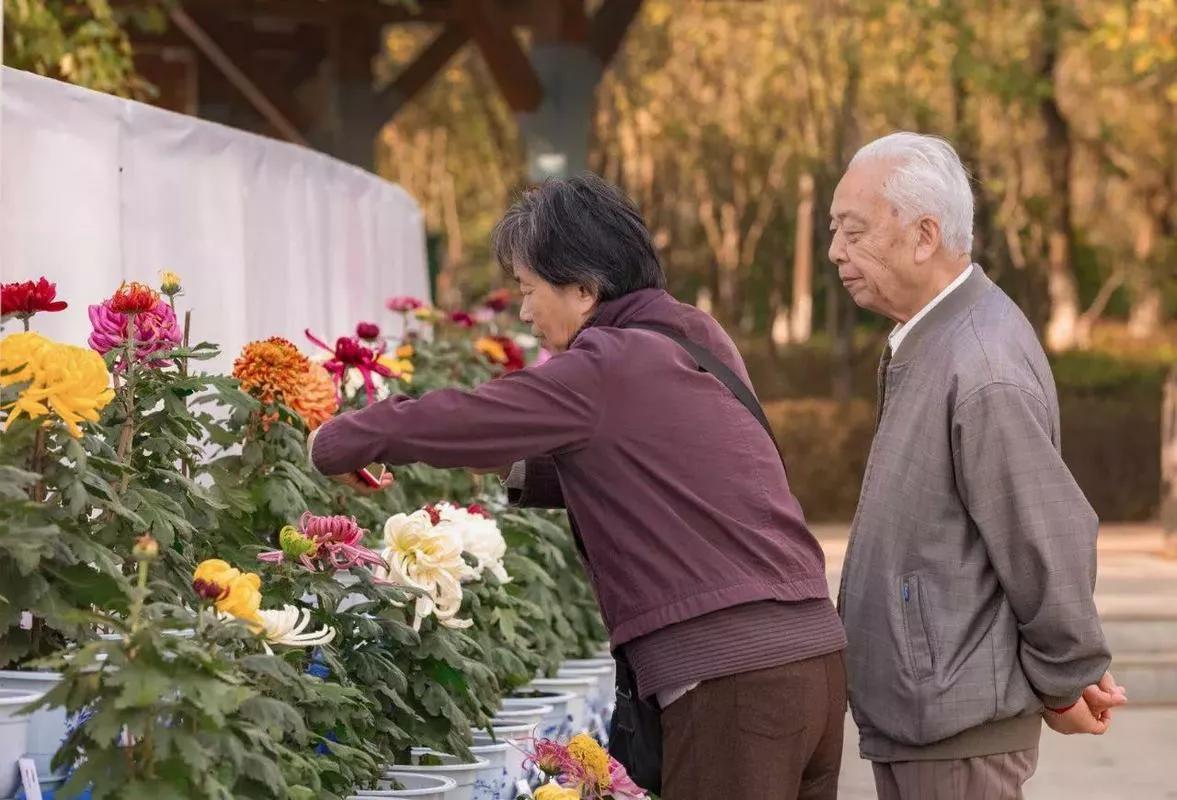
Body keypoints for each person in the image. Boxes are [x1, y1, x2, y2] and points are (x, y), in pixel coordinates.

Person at [309, 174, 848, 800]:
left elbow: (471, 415)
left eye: (529, 290)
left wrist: (342, 438)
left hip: (730, 678)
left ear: (587, 289)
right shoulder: (698, 338)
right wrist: (518, 468)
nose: (525, 312)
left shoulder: (606, 364)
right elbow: (658, 464)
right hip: (813, 662)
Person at [829, 132, 1127, 800]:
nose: (834, 253)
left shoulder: (979, 362)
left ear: (923, 235)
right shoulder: (932, 339)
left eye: (851, 232)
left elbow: (1042, 535)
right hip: (930, 715)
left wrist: (1066, 678)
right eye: (833, 231)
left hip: (956, 726)